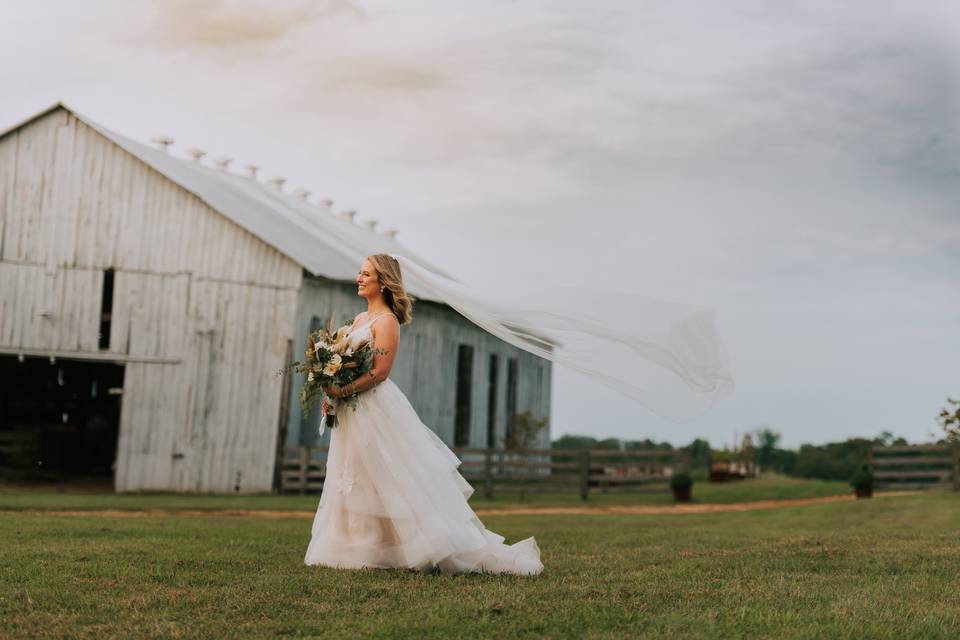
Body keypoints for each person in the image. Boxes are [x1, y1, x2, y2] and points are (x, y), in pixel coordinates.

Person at [304, 253, 543, 575]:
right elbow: (345, 367)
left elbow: (380, 372)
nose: (359, 278)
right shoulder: (359, 320)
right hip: (350, 411)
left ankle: (410, 548)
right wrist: (331, 392)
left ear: (383, 281)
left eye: (366, 274)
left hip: (374, 408)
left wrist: (342, 391)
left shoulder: (385, 321)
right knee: (353, 476)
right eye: (359, 273)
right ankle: (359, 547)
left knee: (385, 474)